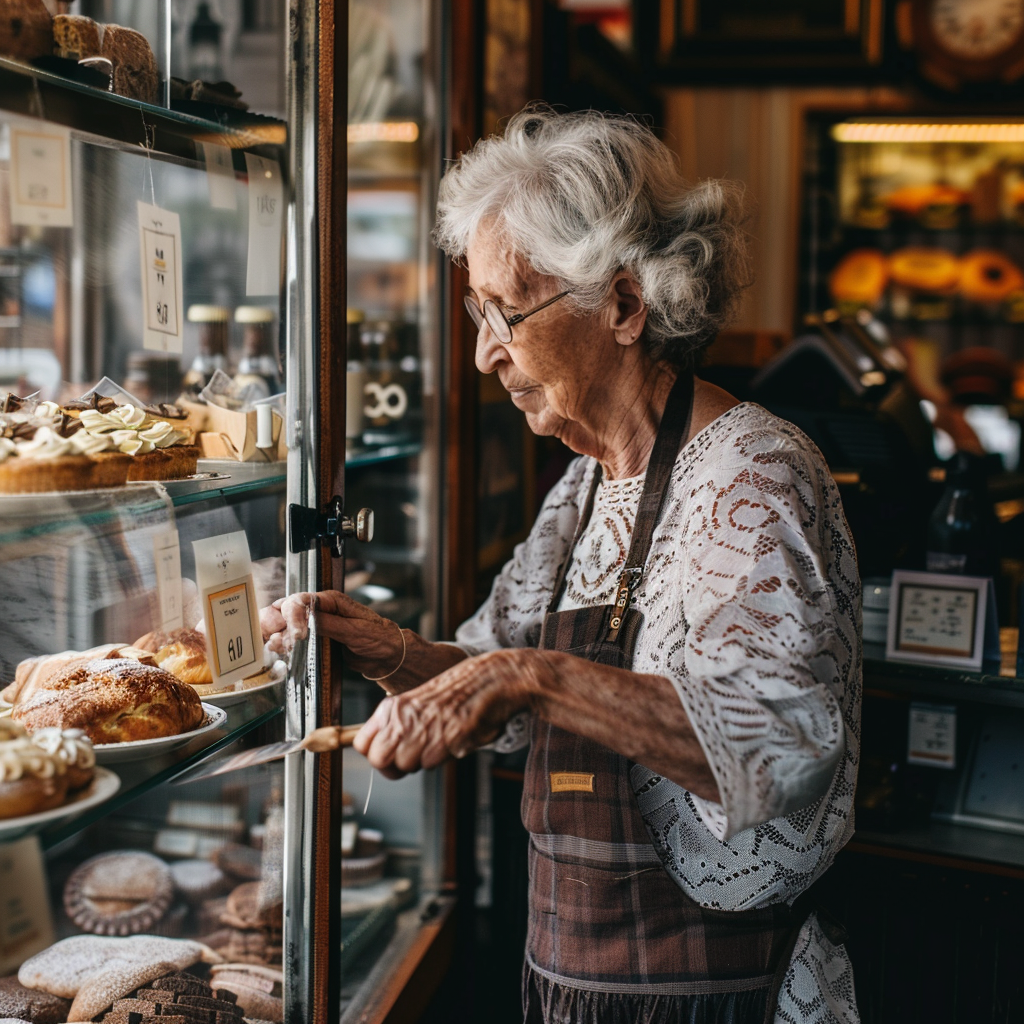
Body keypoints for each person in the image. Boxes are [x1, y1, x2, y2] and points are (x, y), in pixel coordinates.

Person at [264, 107, 862, 1024]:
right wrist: (391, 656)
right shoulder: (582, 489)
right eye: (477, 313)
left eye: (507, 312)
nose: (481, 353)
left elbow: (787, 746)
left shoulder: (753, 473)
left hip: (726, 994)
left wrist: (535, 676)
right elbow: (499, 699)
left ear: (623, 305)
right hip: (578, 988)